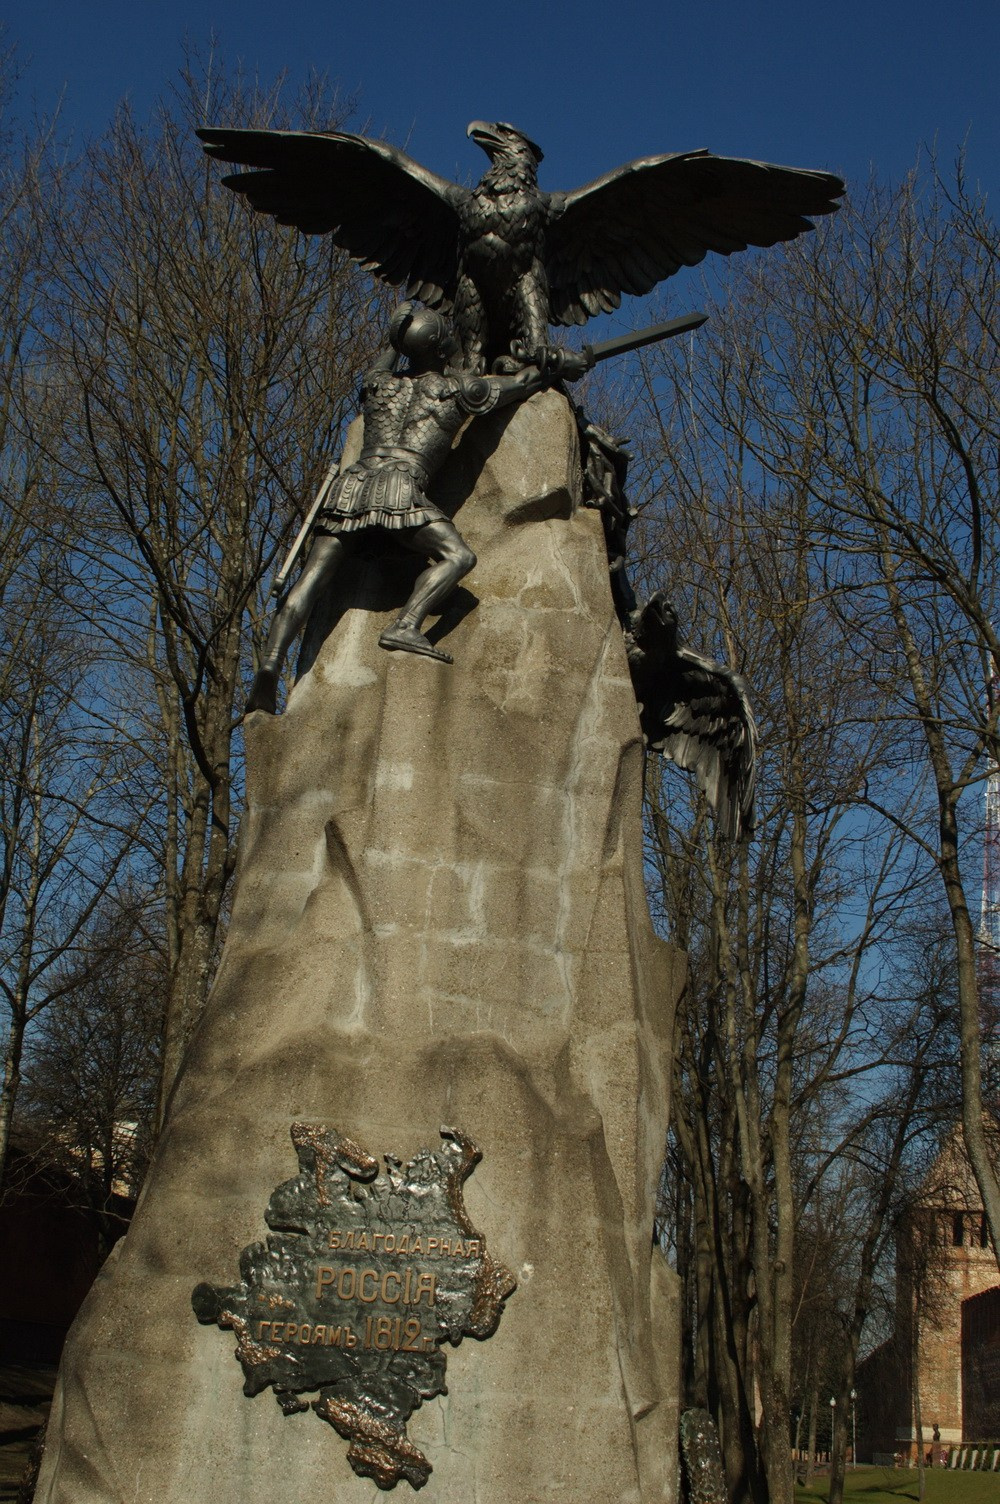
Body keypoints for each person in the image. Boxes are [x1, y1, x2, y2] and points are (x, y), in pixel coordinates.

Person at [247, 304, 592, 713]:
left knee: (311, 579)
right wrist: (566, 363)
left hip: (351, 489)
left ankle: (269, 664)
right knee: (459, 556)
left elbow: (387, 356)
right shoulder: (462, 390)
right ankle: (406, 625)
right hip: (400, 487)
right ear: (441, 346)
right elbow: (524, 381)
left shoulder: (377, 386)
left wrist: (399, 325)